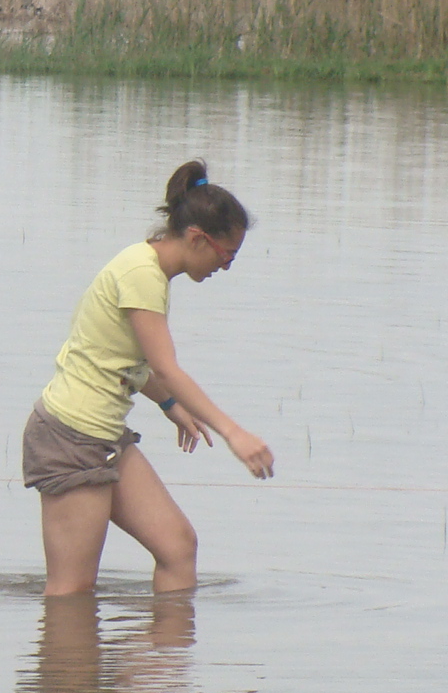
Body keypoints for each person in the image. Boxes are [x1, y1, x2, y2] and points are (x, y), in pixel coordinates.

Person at [24, 159, 273, 597]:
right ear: (198, 238)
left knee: (178, 548)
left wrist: (170, 406)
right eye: (226, 255)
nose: (226, 267)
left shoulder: (149, 271)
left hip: (101, 435)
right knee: (71, 592)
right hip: (71, 437)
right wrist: (234, 433)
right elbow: (164, 367)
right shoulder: (141, 273)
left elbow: (119, 358)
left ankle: (154, 665)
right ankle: (71, 667)